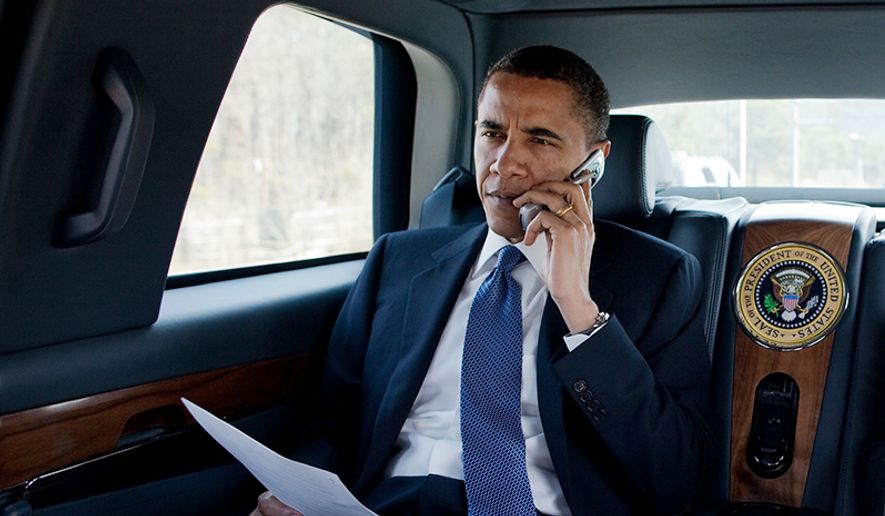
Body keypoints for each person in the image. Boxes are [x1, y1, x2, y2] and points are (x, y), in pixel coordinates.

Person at [252, 45, 712, 516]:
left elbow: (677, 479)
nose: (504, 163)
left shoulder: (659, 279)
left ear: (593, 162)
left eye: (540, 140)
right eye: (492, 133)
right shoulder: (397, 261)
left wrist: (579, 309)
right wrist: (298, 490)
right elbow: (330, 421)